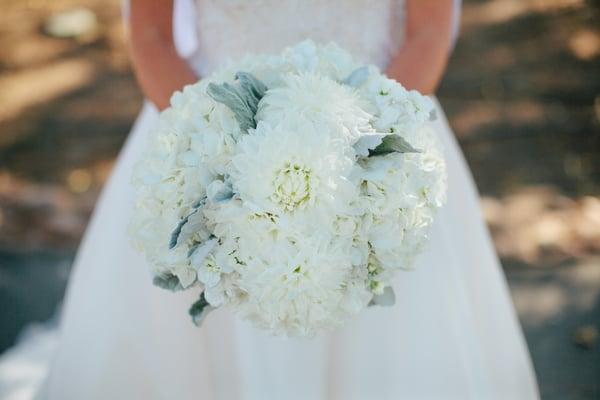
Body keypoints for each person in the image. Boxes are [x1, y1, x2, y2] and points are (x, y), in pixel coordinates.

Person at [2, 1, 540, 399]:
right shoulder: (208, 148)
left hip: (376, 142)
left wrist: (360, 152)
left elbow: (427, 32)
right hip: (206, 148)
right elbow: (149, 34)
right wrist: (218, 151)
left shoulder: (375, 143)